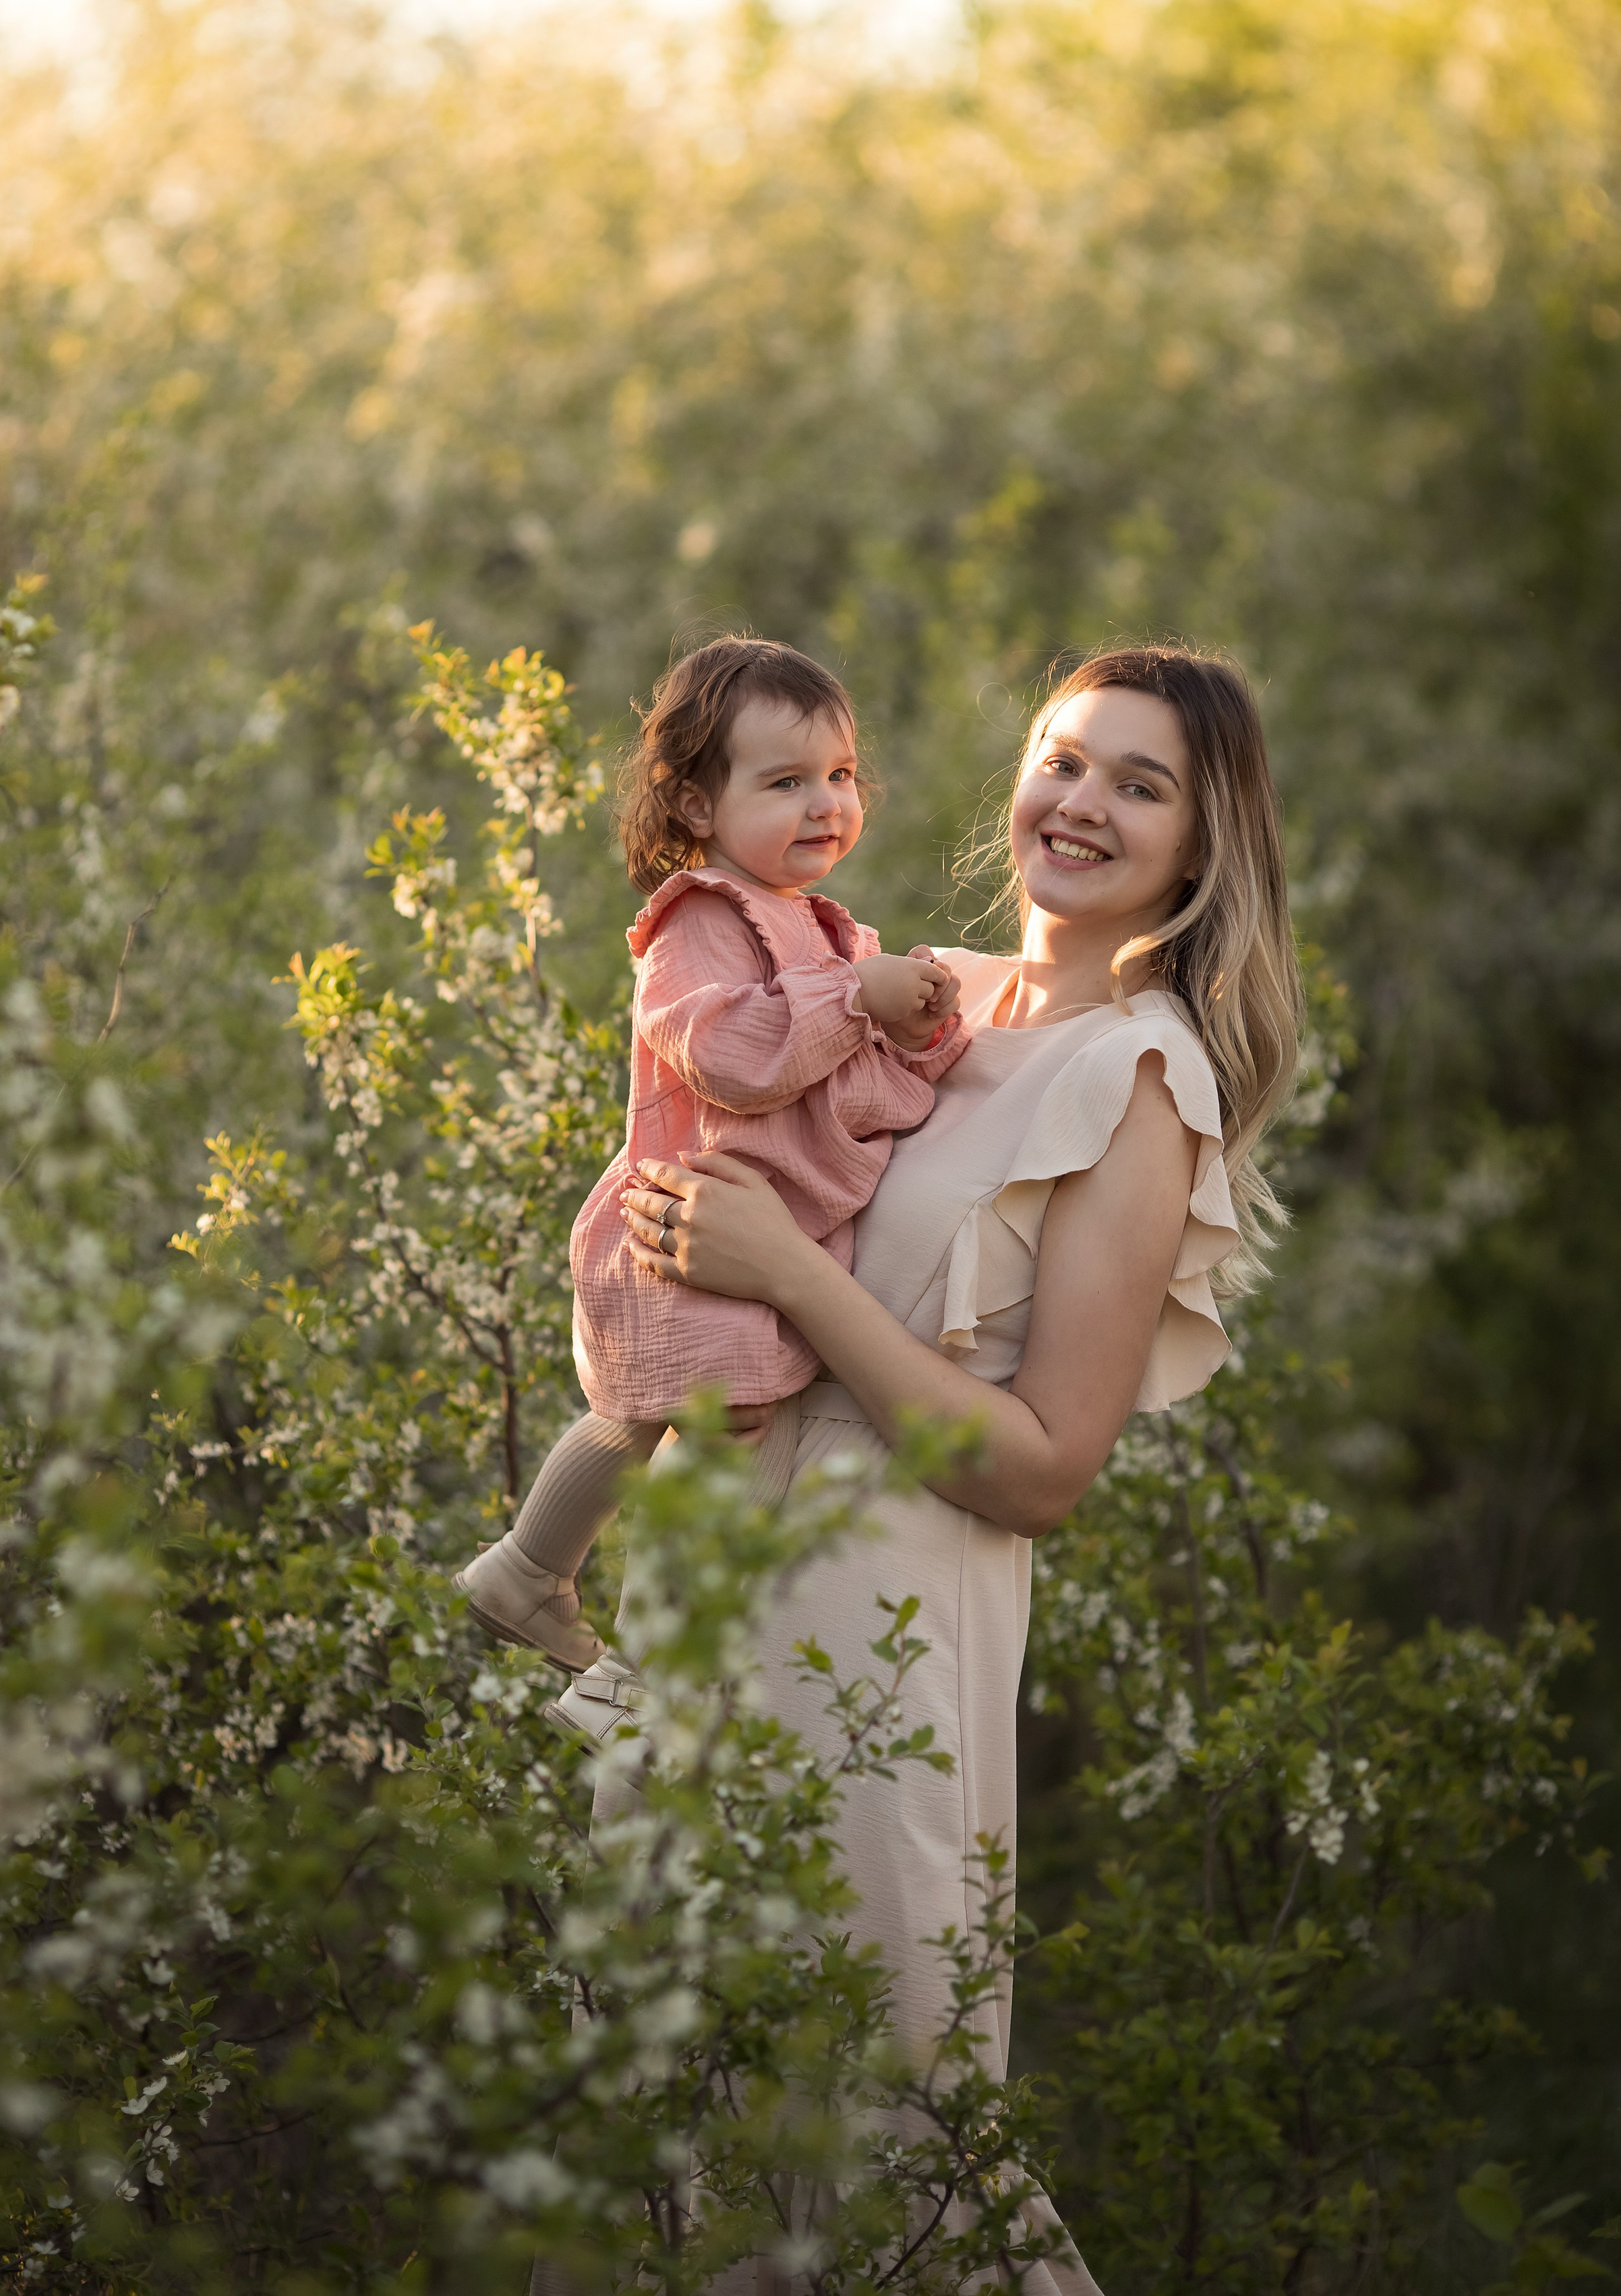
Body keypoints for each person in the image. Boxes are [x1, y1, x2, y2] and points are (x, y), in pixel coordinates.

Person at [618, 644, 1303, 2295]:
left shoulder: (1136, 1082)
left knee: (875, 2130)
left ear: (1199, 846)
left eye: (1138, 784)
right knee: (651, 2112)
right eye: (1061, 759)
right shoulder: (921, 994)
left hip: (882, 1617)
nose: (1079, 803)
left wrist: (790, 1281)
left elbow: (1046, 1466)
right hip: (712, 1564)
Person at [455, 635, 968, 1738]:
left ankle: (531, 1572)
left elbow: (862, 1094)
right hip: (688, 1226)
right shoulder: (699, 920)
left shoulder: (828, 931)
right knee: (700, 1426)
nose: (825, 804)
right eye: (784, 783)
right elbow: (731, 1056)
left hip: (747, 1237)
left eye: (840, 775)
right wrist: (857, 1000)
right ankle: (635, 1669)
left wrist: (920, 1029)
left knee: (660, 1420)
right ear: (696, 803)